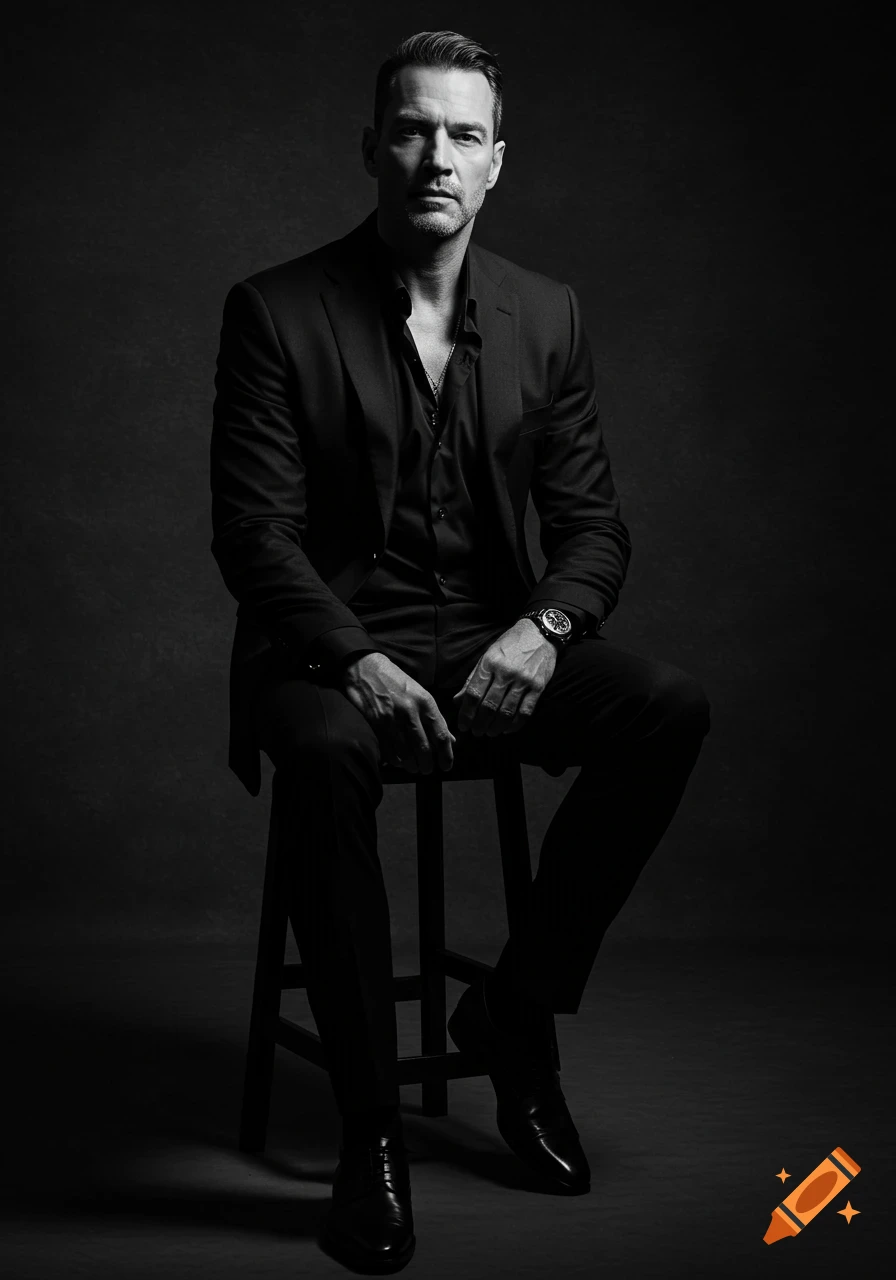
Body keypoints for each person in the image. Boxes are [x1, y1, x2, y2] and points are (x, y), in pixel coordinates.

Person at [210, 29, 710, 1274]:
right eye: (414, 129)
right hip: (324, 647)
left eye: (464, 135)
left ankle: (515, 1012)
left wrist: (543, 629)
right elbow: (253, 534)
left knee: (665, 706)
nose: (437, 155)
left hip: (485, 640)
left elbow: (592, 529)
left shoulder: (547, 313)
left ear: (496, 164)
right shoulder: (275, 309)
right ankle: (368, 1132)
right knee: (328, 762)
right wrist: (351, 659)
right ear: (373, 146)